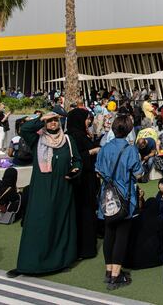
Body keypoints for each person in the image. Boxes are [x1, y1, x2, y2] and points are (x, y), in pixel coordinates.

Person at [10, 112, 81, 276]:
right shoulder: (37, 139)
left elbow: (76, 159)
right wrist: (41, 119)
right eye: (50, 121)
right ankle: (29, 264)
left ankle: (60, 262)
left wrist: (76, 169)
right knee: (38, 224)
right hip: (42, 188)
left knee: (60, 223)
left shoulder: (68, 140)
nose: (53, 123)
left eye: (55, 120)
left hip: (63, 187)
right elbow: (24, 129)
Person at [95, 114, 143, 290]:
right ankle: (117, 274)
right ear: (129, 129)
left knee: (109, 233)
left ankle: (109, 271)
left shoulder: (104, 148)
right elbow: (139, 174)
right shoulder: (130, 150)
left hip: (107, 196)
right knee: (122, 235)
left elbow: (98, 171)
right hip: (125, 196)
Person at [65, 107, 100, 260]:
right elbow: (76, 157)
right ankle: (85, 248)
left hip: (86, 179)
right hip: (82, 180)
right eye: (86, 119)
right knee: (84, 213)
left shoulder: (78, 134)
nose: (89, 121)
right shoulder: (74, 136)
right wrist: (92, 151)